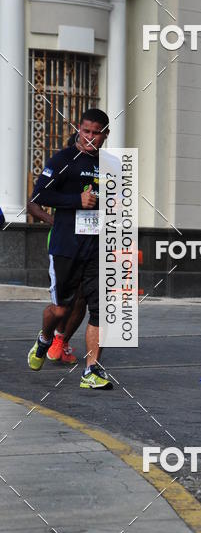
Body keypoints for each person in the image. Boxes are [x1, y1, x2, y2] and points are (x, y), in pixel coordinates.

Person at [27, 108, 113, 389]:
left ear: (105, 135)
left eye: (96, 133)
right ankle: (44, 339)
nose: (90, 138)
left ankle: (91, 371)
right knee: (61, 310)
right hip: (66, 246)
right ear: (79, 129)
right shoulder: (63, 160)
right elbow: (37, 199)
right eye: (85, 131)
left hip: (97, 247)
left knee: (100, 310)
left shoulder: (111, 165)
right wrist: (75, 201)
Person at [27, 133, 86, 364]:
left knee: (83, 299)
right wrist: (55, 221)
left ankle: (61, 341)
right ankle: (46, 338)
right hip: (63, 241)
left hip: (91, 242)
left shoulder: (99, 171)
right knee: (64, 302)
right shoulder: (62, 166)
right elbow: (33, 203)